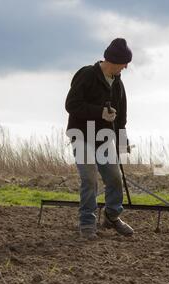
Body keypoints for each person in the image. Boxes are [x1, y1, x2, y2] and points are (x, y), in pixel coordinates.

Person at [65, 38, 134, 240]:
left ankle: (112, 216)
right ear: (113, 60)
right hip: (81, 135)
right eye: (124, 63)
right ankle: (87, 223)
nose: (126, 67)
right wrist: (100, 112)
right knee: (89, 179)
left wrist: (122, 141)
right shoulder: (86, 75)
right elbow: (71, 104)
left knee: (114, 178)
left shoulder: (118, 84)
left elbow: (121, 118)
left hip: (104, 139)